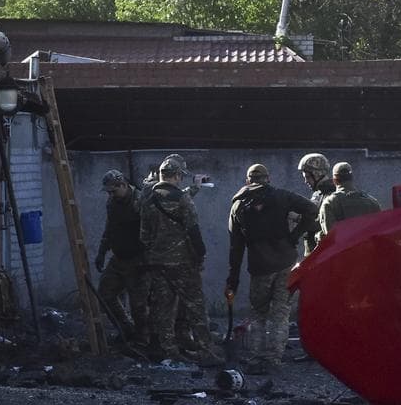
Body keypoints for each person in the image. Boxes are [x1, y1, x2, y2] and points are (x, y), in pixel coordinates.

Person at [226, 164, 319, 370]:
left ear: (248, 180)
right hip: (286, 263)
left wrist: (233, 278)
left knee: (258, 313)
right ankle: (273, 359)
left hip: (260, 267)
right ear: (268, 178)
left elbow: (236, 246)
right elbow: (312, 209)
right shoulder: (282, 196)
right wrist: (294, 236)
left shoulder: (238, 205)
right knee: (281, 313)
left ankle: (256, 359)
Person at [140, 157, 219, 364]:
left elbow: (144, 236)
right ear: (176, 176)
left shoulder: (147, 199)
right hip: (183, 264)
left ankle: (169, 351)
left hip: (157, 263)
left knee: (163, 308)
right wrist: (200, 254)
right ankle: (205, 352)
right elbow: (193, 230)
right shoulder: (182, 199)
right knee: (195, 307)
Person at [94, 170, 148, 347]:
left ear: (124, 185)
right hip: (119, 259)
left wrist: (147, 260)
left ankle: (142, 339)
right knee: (105, 294)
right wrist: (102, 253)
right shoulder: (112, 203)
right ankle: (126, 329)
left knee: (138, 304)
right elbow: (109, 228)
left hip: (138, 260)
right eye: (109, 192)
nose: (111, 195)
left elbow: (152, 231)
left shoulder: (140, 201)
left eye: (114, 191)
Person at [316, 162, 382, 243]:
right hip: (368, 252)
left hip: (344, 253)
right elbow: (379, 231)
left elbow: (330, 237)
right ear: (352, 178)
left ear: (334, 180)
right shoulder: (372, 202)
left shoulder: (329, 203)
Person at [297, 152, 335, 255]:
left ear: (317, 174)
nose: (306, 181)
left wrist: (297, 218)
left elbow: (323, 224)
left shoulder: (330, 194)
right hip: (314, 252)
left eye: (308, 177)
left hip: (323, 254)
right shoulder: (318, 193)